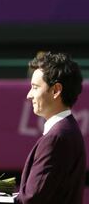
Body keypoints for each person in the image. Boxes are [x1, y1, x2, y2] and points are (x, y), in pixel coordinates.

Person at [15, 52, 86, 204]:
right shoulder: (67, 131)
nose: (29, 95)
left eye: (35, 87)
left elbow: (31, 200)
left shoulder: (56, 138)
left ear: (56, 90)